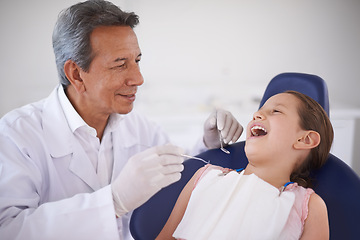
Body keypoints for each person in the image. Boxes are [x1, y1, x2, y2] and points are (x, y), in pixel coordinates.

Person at [0, 1, 243, 239]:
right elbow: (8, 230)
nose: (138, 78)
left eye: (136, 61)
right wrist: (113, 202)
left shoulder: (139, 127)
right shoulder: (17, 135)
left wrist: (209, 145)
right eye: (120, 65)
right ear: (76, 74)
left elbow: (179, 173)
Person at [157, 90, 334, 240]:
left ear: (305, 139)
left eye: (276, 111)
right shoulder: (204, 177)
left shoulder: (309, 206)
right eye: (259, 111)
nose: (256, 115)